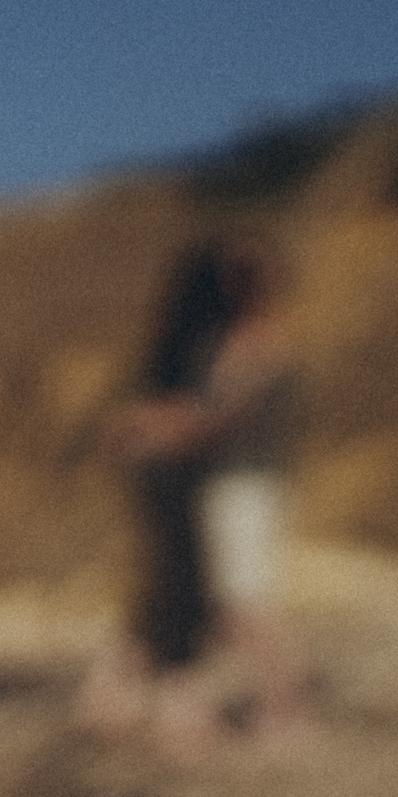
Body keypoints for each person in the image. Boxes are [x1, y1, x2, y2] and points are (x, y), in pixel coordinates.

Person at [75, 237, 311, 757]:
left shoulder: (258, 343)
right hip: (223, 486)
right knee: (206, 599)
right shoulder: (229, 342)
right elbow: (212, 416)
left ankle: (284, 714)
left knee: (243, 604)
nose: (233, 287)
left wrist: (152, 425)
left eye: (240, 277)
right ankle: (128, 696)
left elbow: (222, 418)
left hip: (245, 487)